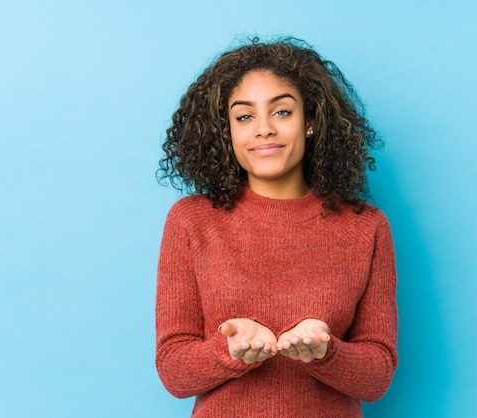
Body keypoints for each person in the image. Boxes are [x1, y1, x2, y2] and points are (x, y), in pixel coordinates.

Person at [155, 37, 398, 417]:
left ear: (311, 123)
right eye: (245, 116)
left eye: (282, 112)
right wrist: (228, 351)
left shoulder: (366, 228)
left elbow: (377, 376)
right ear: (228, 131)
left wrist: (324, 353)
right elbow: (173, 371)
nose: (264, 129)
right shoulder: (191, 221)